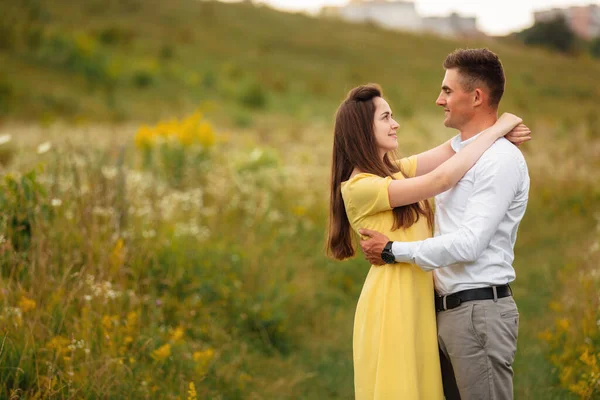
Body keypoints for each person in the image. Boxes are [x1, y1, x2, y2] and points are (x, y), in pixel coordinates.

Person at [327, 80, 529, 398]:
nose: (395, 124)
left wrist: (493, 131)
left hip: (420, 297)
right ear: (362, 129)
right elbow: (443, 178)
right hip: (392, 299)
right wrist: (500, 127)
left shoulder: (396, 171)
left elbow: (454, 150)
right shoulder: (359, 186)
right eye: (386, 117)